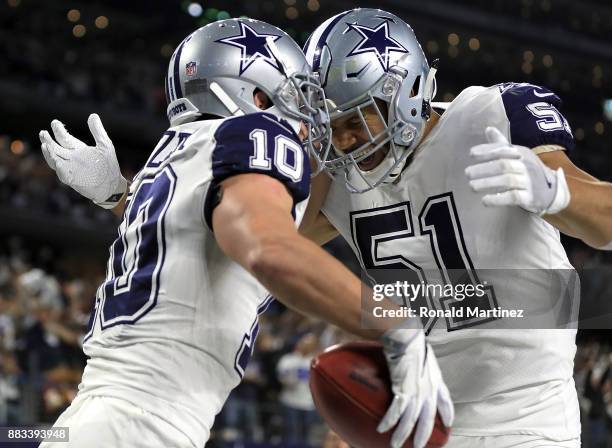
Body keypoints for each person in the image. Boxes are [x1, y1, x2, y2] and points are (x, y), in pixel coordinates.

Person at [37, 18, 453, 448]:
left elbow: (197, 239)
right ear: (257, 95)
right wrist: (396, 325)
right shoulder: (253, 133)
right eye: (298, 97)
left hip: (99, 419)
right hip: (143, 426)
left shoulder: (177, 153)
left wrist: (118, 195)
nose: (311, 120)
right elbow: (268, 250)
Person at [300, 8, 612, 448]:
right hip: (422, 415)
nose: (344, 141)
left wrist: (556, 191)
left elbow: (606, 222)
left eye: (355, 120)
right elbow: (271, 252)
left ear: (405, 93)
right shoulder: (336, 176)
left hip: (525, 420)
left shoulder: (490, 118)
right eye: (329, 127)